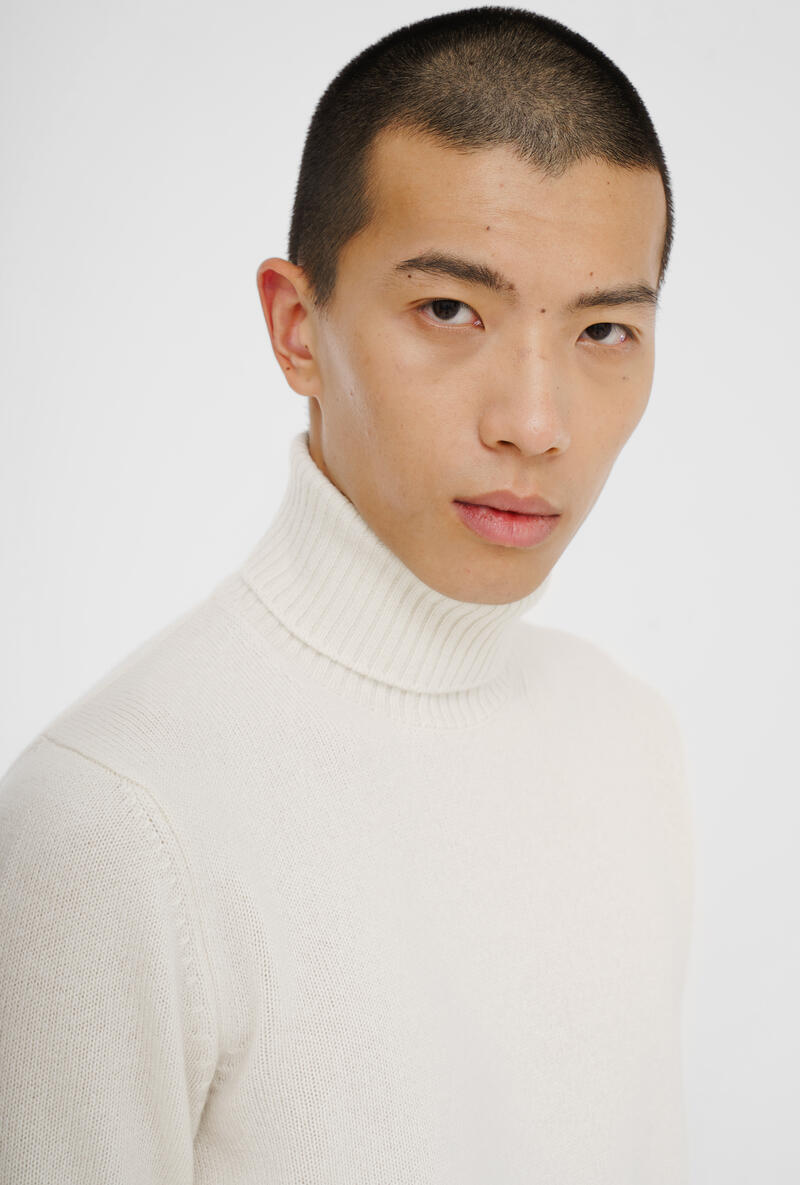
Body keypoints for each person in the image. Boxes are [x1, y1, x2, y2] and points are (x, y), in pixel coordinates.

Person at [0, 7, 694, 1183]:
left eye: (603, 329)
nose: (534, 423)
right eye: (449, 311)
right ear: (296, 329)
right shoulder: (114, 824)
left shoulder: (630, 736)